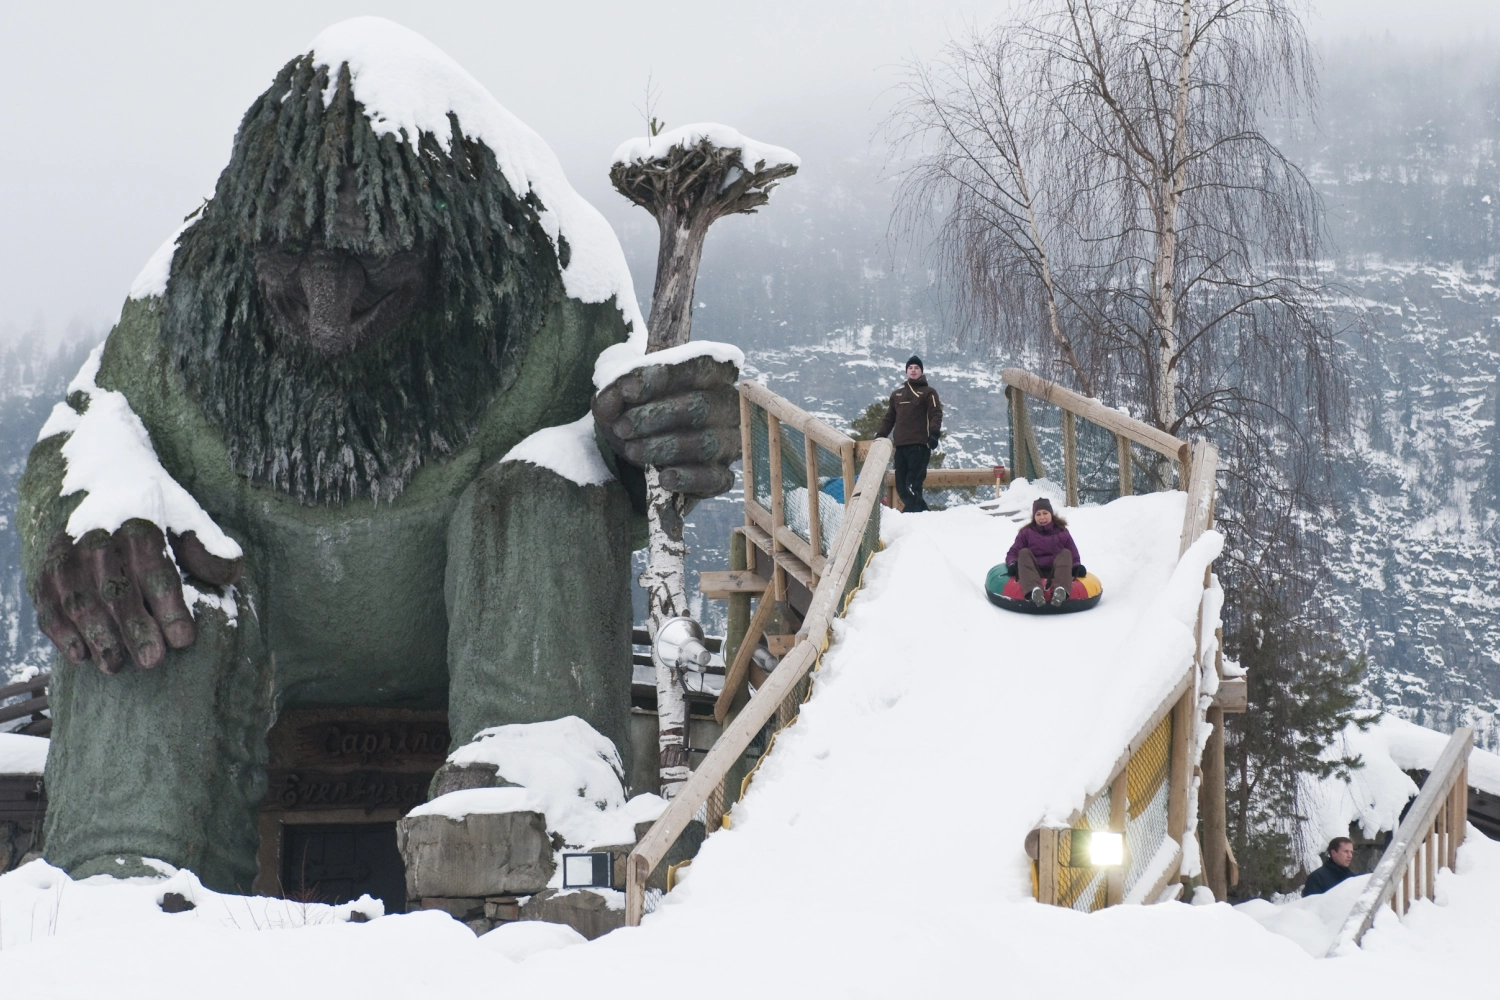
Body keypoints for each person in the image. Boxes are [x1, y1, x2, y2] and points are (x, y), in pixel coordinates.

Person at [876, 355, 943, 512]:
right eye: (910, 368)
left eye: (916, 368)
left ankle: (911, 515)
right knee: (901, 486)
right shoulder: (896, 395)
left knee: (912, 484)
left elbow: (935, 414)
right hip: (900, 446)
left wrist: (934, 434)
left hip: (919, 445)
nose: (913, 370)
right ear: (906, 371)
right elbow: (889, 419)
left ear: (921, 371)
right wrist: (880, 436)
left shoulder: (928, 392)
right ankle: (924, 514)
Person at [1005, 498, 1084, 608]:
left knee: (1066, 553)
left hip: (1057, 570)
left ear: (1051, 514)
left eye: (1045, 513)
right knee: (1023, 552)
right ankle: (1034, 591)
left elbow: (1073, 553)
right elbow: (1013, 552)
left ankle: (1059, 591)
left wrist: (1076, 566)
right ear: (1034, 517)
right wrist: (1012, 563)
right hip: (1033, 570)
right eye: (1038, 514)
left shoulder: (1062, 532)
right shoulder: (1026, 533)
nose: (1042, 517)